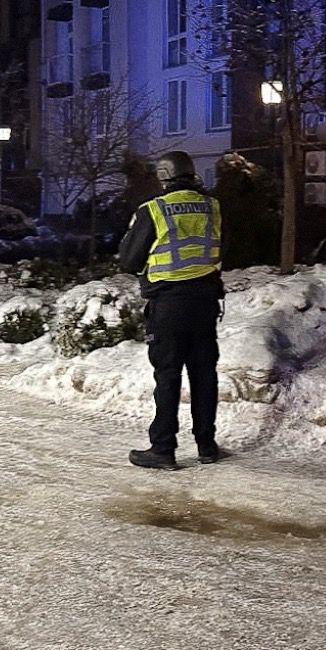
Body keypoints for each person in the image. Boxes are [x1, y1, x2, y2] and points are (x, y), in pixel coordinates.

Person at [118, 151, 225, 470]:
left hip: (168, 305)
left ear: (164, 176)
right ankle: (207, 445)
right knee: (205, 375)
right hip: (205, 302)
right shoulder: (213, 206)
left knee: (168, 376)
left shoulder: (154, 209)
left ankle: (163, 449)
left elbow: (129, 260)